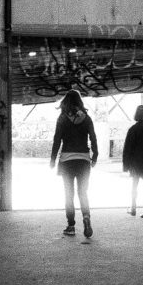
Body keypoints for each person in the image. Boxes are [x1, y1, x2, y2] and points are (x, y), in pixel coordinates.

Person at [50, 90, 99, 238]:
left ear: (66, 102)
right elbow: (93, 137)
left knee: (69, 194)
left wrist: (52, 159)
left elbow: (57, 140)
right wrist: (95, 155)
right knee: (83, 192)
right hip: (83, 160)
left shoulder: (62, 119)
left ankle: (71, 226)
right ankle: (86, 217)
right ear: (79, 101)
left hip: (67, 161)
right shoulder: (87, 118)